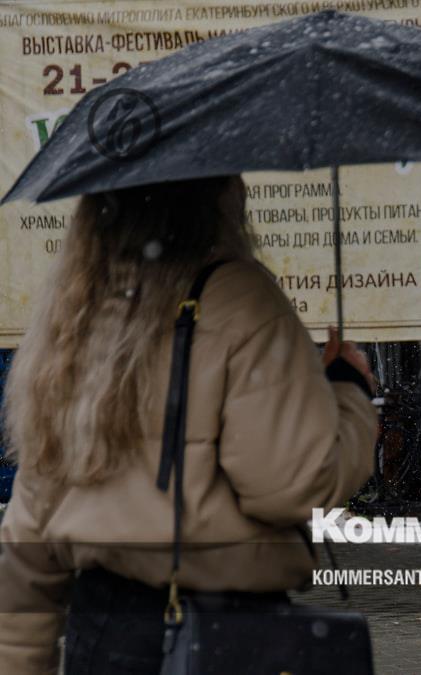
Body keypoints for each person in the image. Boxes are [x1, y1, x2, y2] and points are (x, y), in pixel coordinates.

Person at [0, 176, 379, 675]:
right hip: (224, 629)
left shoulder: (78, 316)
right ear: (216, 200)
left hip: (105, 631)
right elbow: (289, 484)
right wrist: (350, 392)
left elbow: (29, 538)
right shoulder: (243, 301)